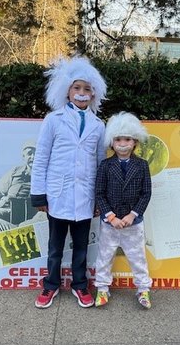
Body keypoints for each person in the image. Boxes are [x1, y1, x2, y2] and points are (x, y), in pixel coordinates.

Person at [31, 56, 106, 309]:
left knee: (82, 248)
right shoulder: (53, 120)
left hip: (84, 197)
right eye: (77, 88)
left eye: (87, 89)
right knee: (55, 247)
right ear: (66, 91)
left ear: (93, 94)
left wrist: (98, 198)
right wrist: (39, 195)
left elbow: (99, 163)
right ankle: (50, 285)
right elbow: (41, 158)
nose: (81, 93)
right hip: (58, 195)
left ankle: (80, 285)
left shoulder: (98, 125)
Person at [94, 111, 153, 309]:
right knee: (104, 256)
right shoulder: (105, 166)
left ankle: (143, 289)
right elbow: (99, 193)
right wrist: (110, 216)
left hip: (133, 223)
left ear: (135, 142)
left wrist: (132, 214)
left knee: (138, 257)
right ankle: (102, 288)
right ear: (112, 142)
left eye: (127, 139)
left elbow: (146, 193)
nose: (122, 143)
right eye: (118, 139)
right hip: (110, 223)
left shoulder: (142, 166)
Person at [0, 140, 36, 224]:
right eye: (29, 153)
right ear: (23, 156)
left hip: (27, 213)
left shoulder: (44, 176)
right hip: (7, 208)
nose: (33, 157)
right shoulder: (15, 171)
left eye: (36, 154)